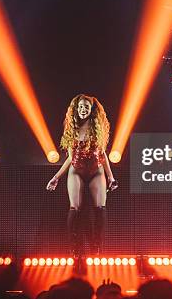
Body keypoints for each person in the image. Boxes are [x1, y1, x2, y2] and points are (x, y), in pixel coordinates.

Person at [46, 94, 117, 256]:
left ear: (91, 110)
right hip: (76, 169)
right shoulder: (71, 129)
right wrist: (56, 177)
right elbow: (70, 158)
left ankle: (96, 245)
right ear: (76, 109)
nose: (83, 109)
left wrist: (111, 177)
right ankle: (75, 248)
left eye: (86, 107)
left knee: (100, 207)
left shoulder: (97, 128)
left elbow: (102, 154)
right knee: (75, 208)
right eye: (80, 107)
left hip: (95, 170)